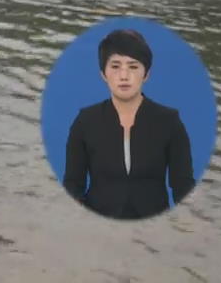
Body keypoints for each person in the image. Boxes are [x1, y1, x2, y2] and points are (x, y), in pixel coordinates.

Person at [63, 29, 195, 220]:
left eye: (133, 67)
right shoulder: (85, 121)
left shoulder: (169, 122)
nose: (124, 76)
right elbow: (73, 185)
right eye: (115, 66)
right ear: (103, 74)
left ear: (146, 74)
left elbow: (183, 186)